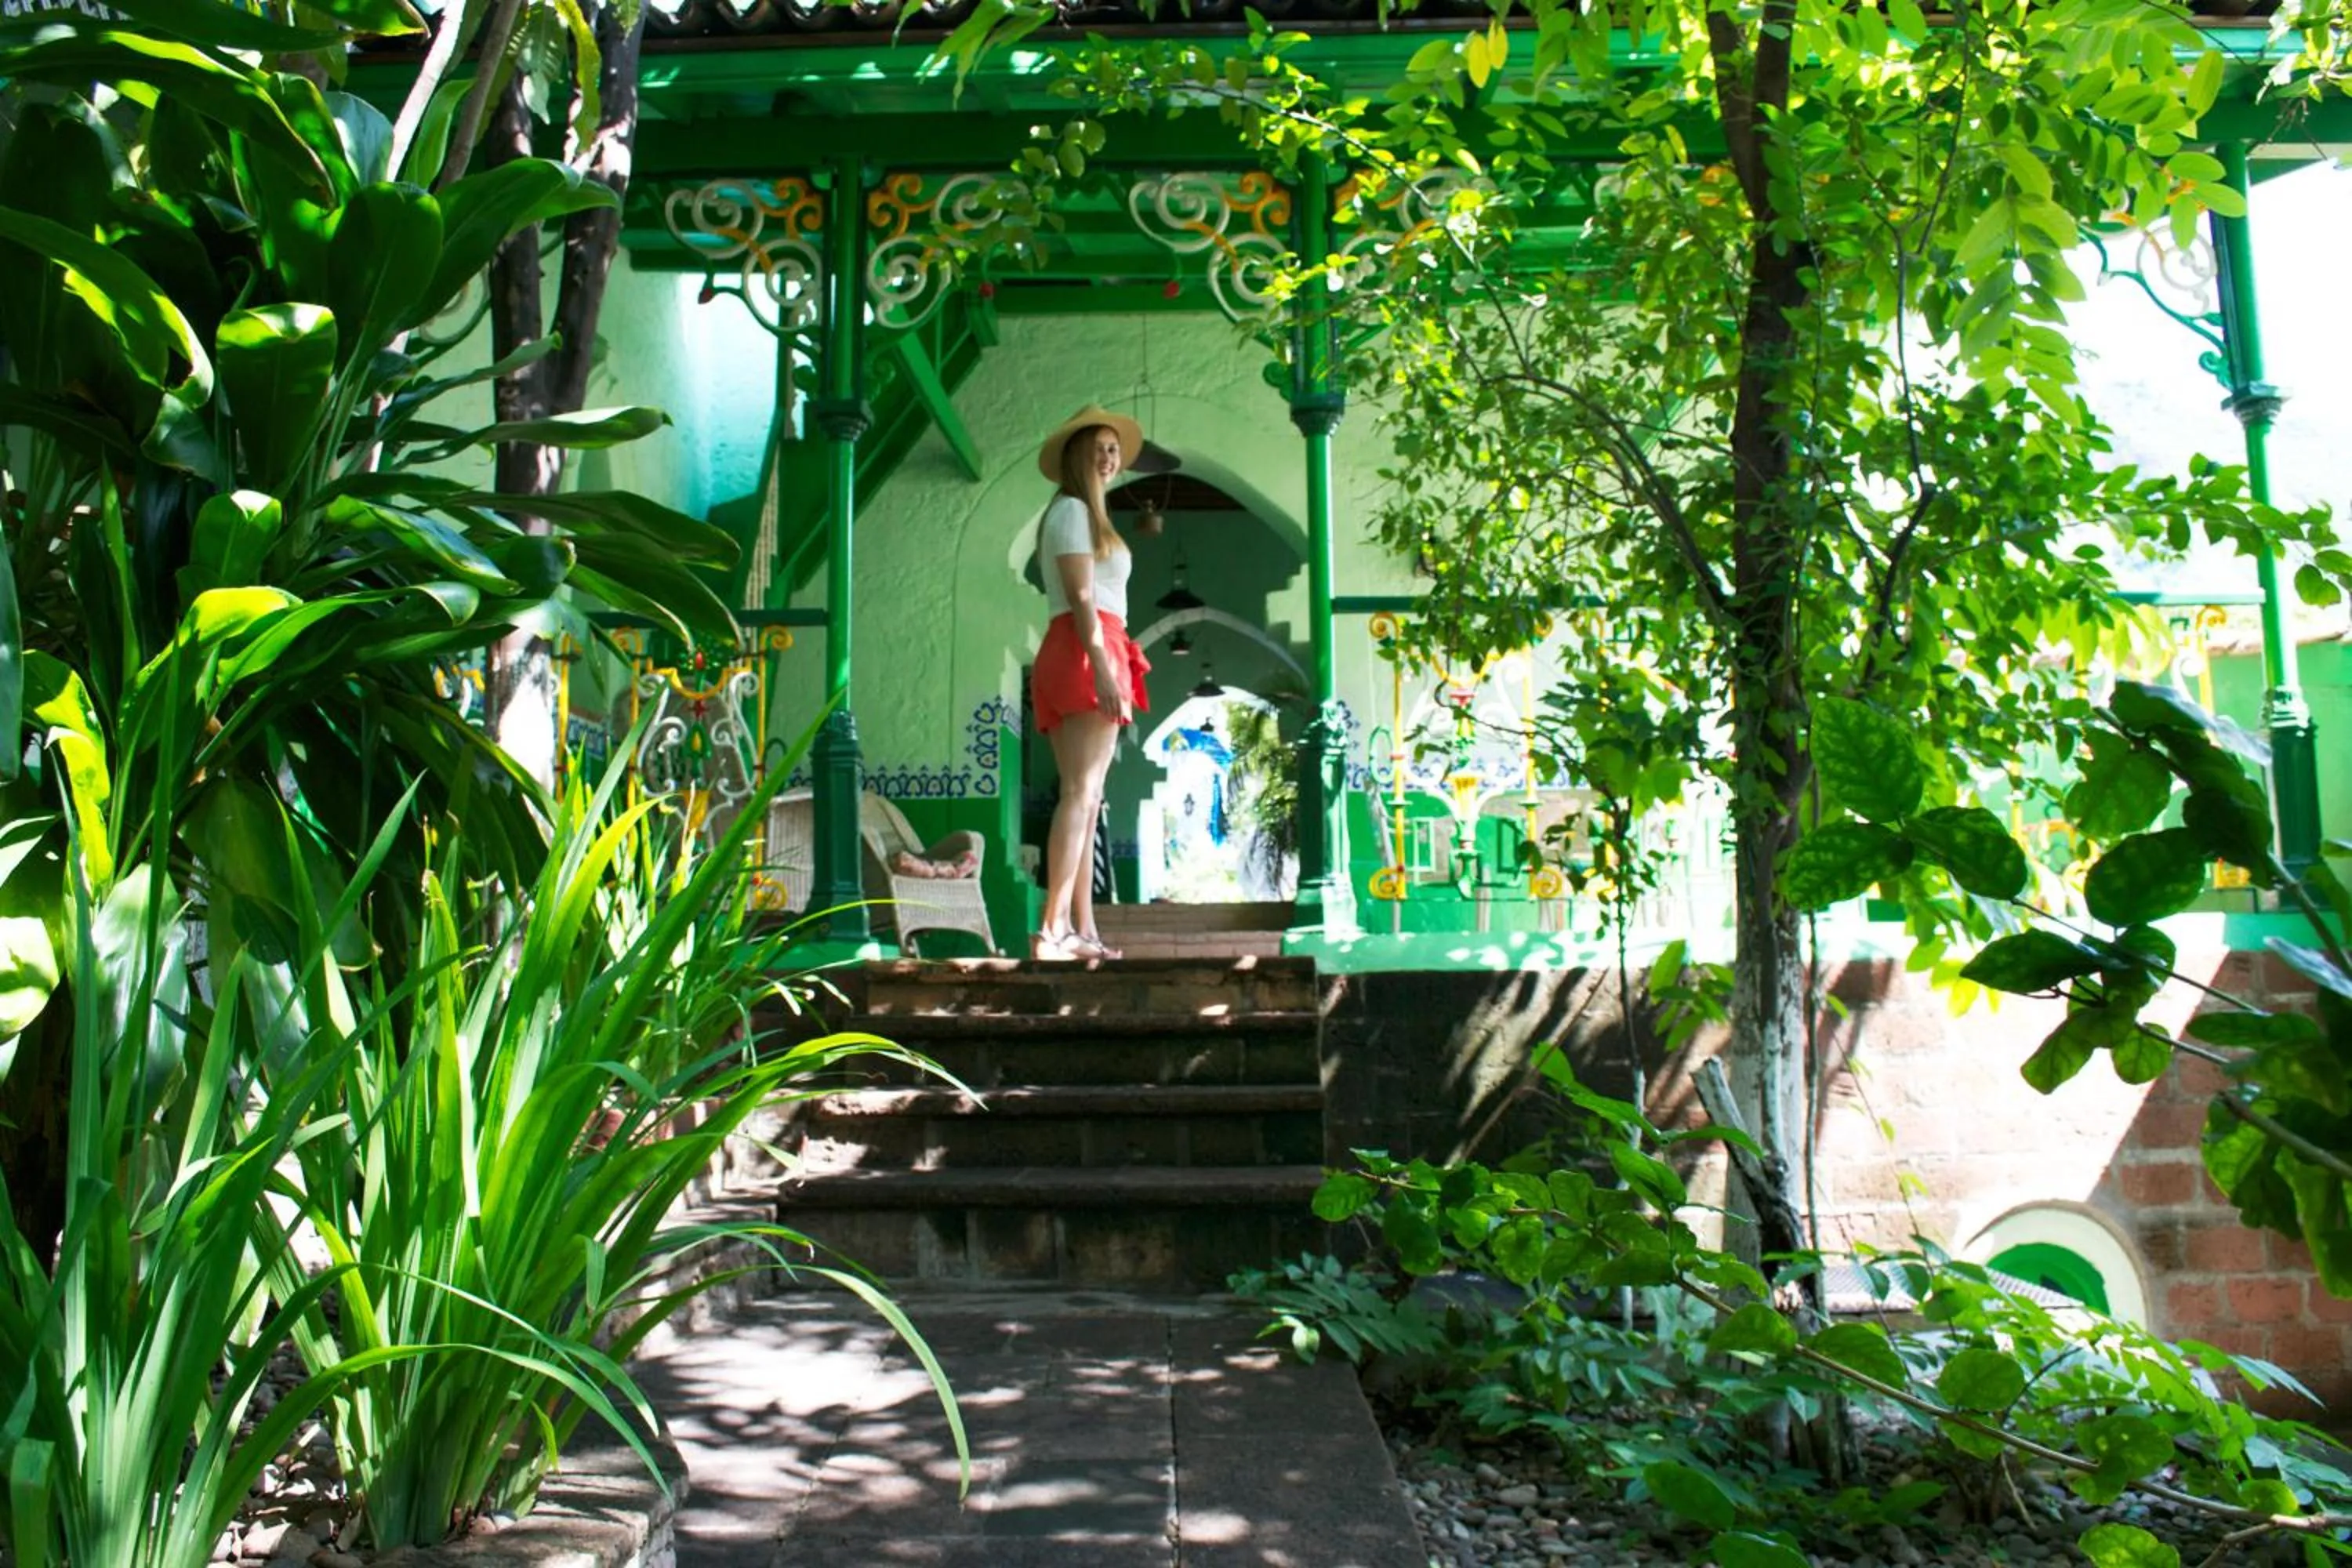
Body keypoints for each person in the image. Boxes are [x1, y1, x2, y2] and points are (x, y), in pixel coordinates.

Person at [1028, 405, 1152, 961]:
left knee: (1087, 796)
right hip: (1086, 646)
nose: (1109, 457)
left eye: (1114, 448)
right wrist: (1102, 664)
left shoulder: (1083, 515)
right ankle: (1052, 930)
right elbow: (1082, 597)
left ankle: (1082, 927)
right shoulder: (1072, 511)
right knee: (1080, 795)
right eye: (1099, 447)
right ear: (1077, 456)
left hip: (1090, 644)